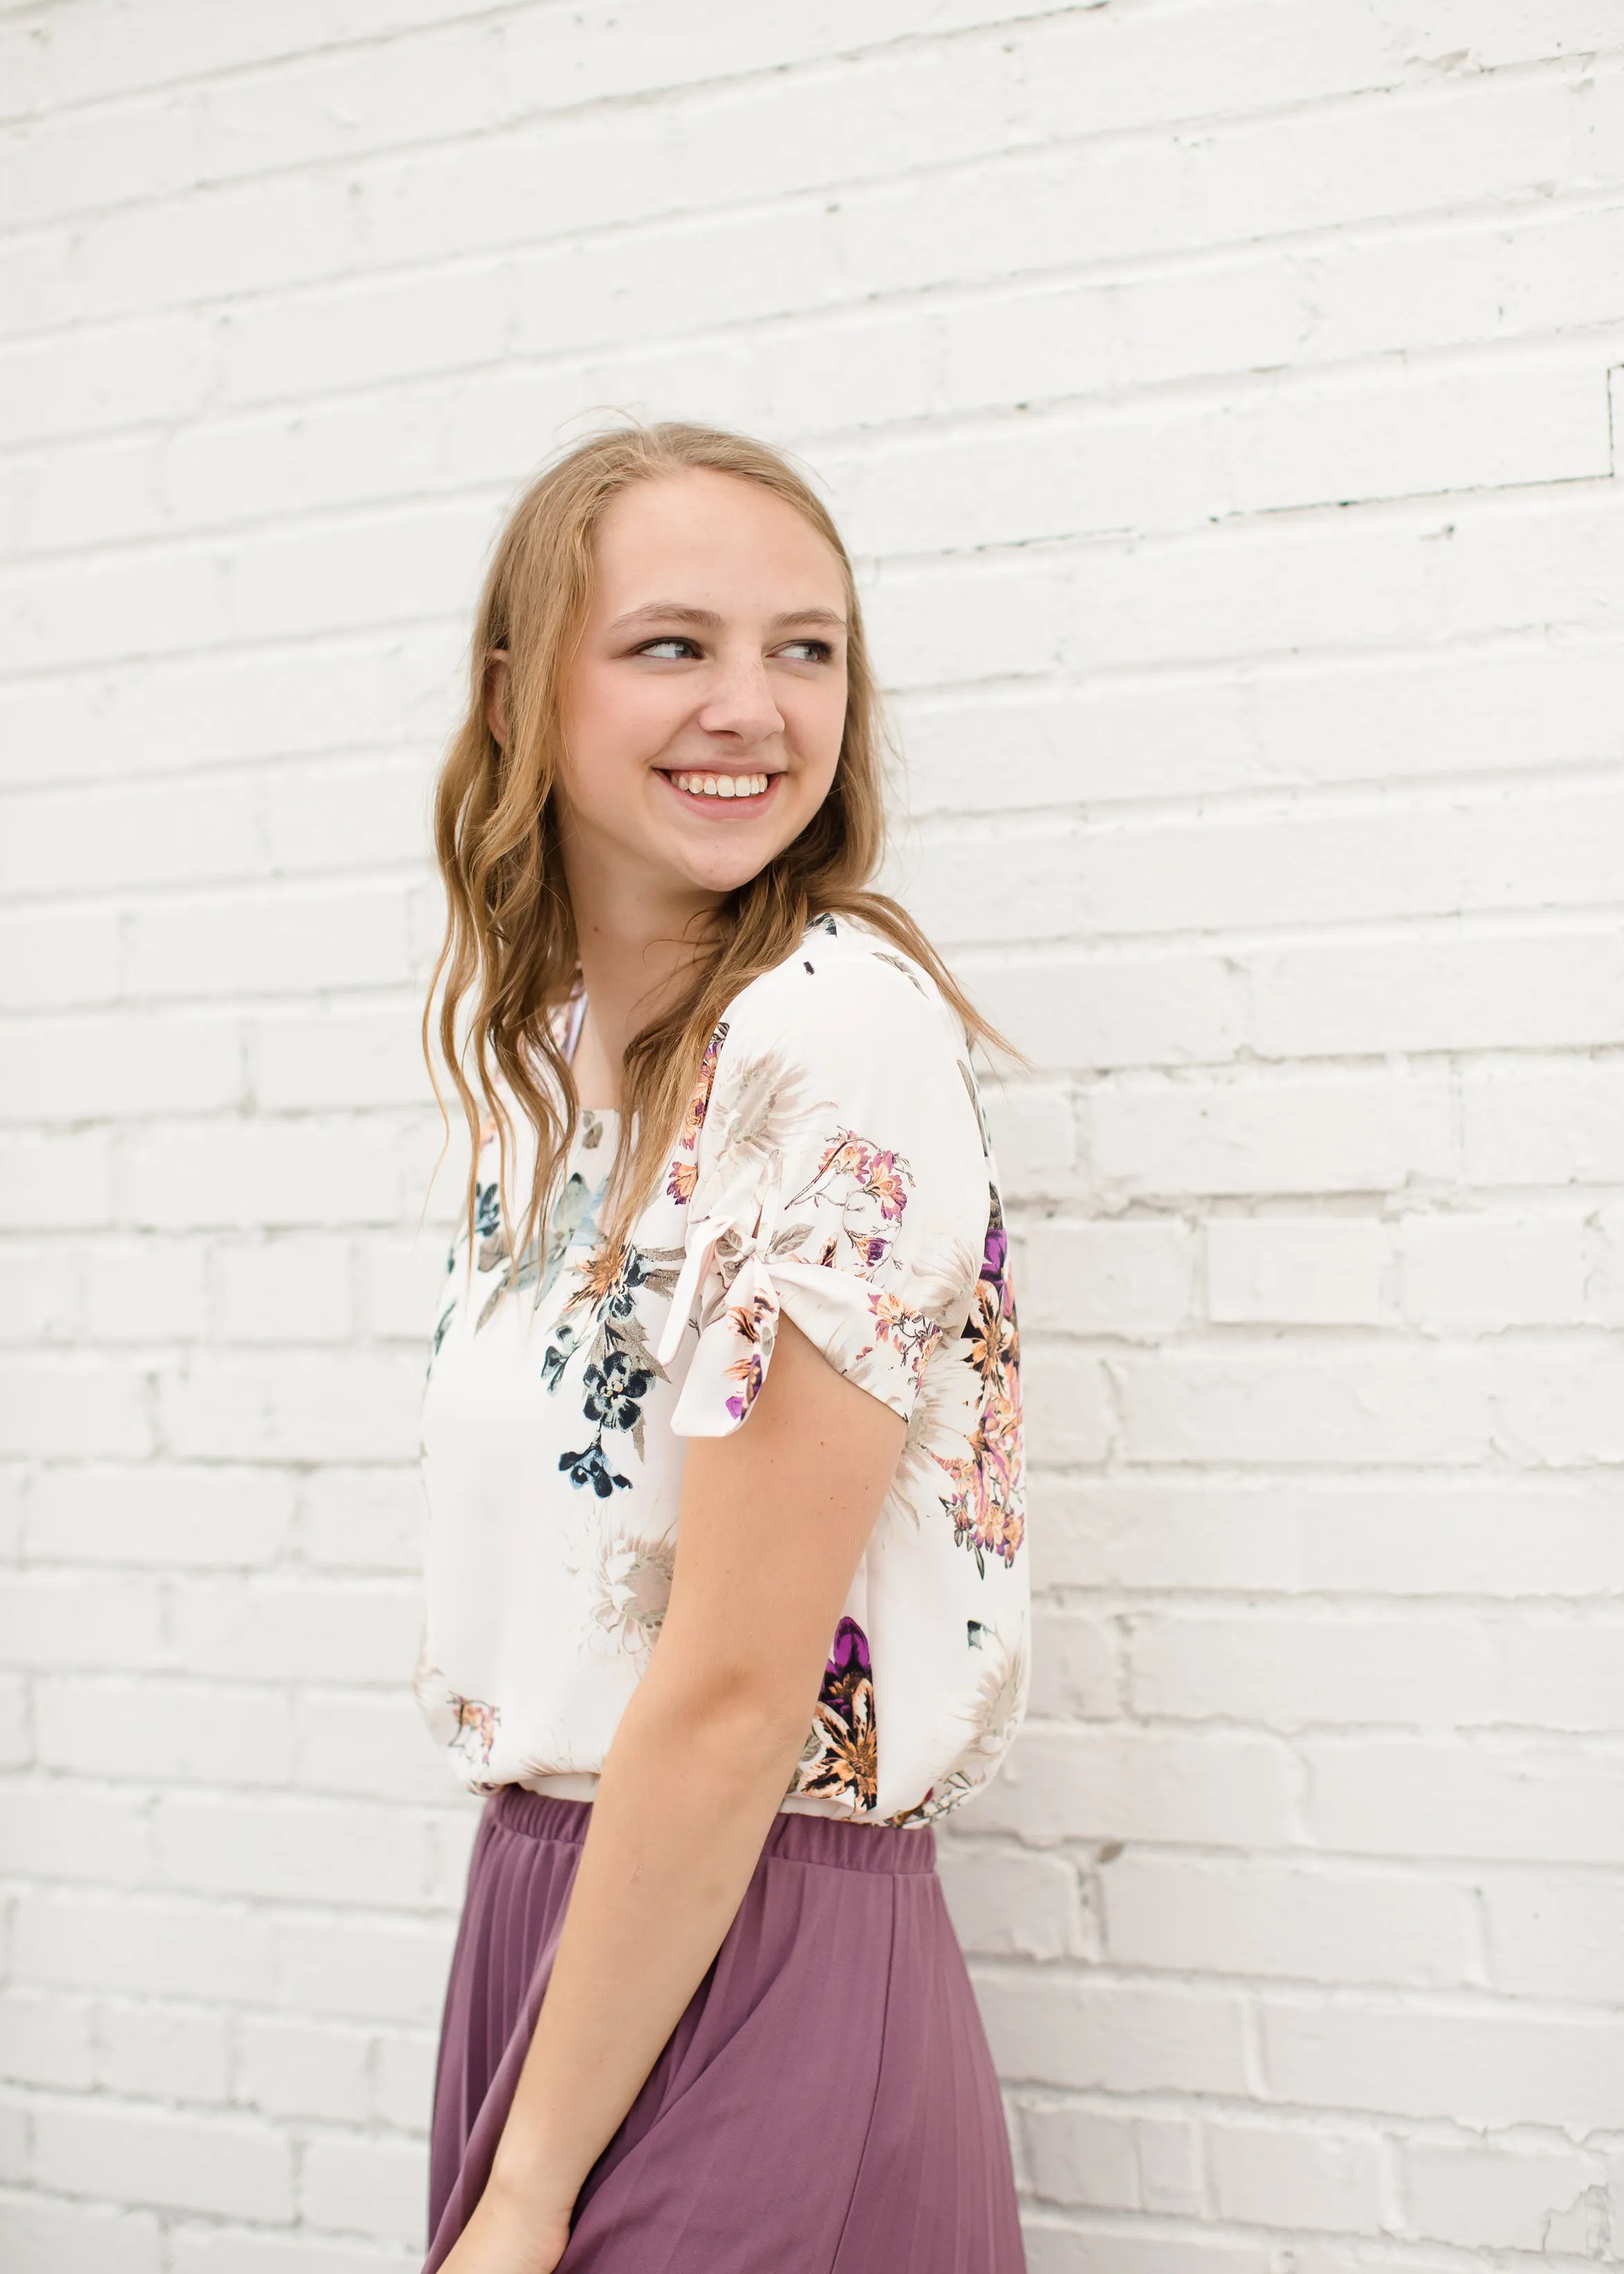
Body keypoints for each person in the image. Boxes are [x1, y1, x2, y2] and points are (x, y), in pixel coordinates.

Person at [415, 423, 1029, 2273]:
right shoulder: (556, 1089)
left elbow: (741, 1687)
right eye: (672, 645)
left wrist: (525, 2197)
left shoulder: (827, 1040)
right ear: (525, 698)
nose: (750, 708)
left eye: (806, 647)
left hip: (755, 1936)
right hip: (562, 1926)